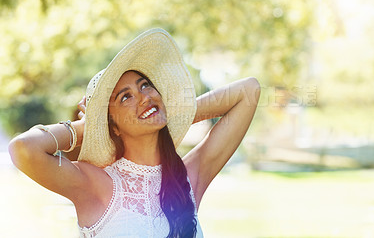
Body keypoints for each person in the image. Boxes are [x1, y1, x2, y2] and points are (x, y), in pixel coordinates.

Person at [8, 28, 260, 237]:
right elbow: (23, 149)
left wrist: (166, 115)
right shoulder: (94, 185)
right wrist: (88, 126)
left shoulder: (188, 178)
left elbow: (248, 91)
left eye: (146, 86)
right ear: (113, 125)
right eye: (126, 97)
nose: (144, 97)